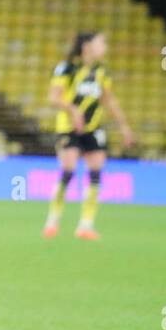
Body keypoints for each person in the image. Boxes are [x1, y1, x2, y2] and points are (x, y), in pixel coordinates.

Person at [43, 31, 134, 240]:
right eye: (101, 43)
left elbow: (109, 101)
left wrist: (124, 127)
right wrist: (73, 110)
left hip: (93, 128)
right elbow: (53, 98)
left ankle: (85, 225)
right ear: (87, 46)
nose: (105, 47)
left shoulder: (102, 72)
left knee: (95, 173)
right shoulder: (67, 68)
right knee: (69, 170)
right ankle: (53, 220)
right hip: (69, 127)